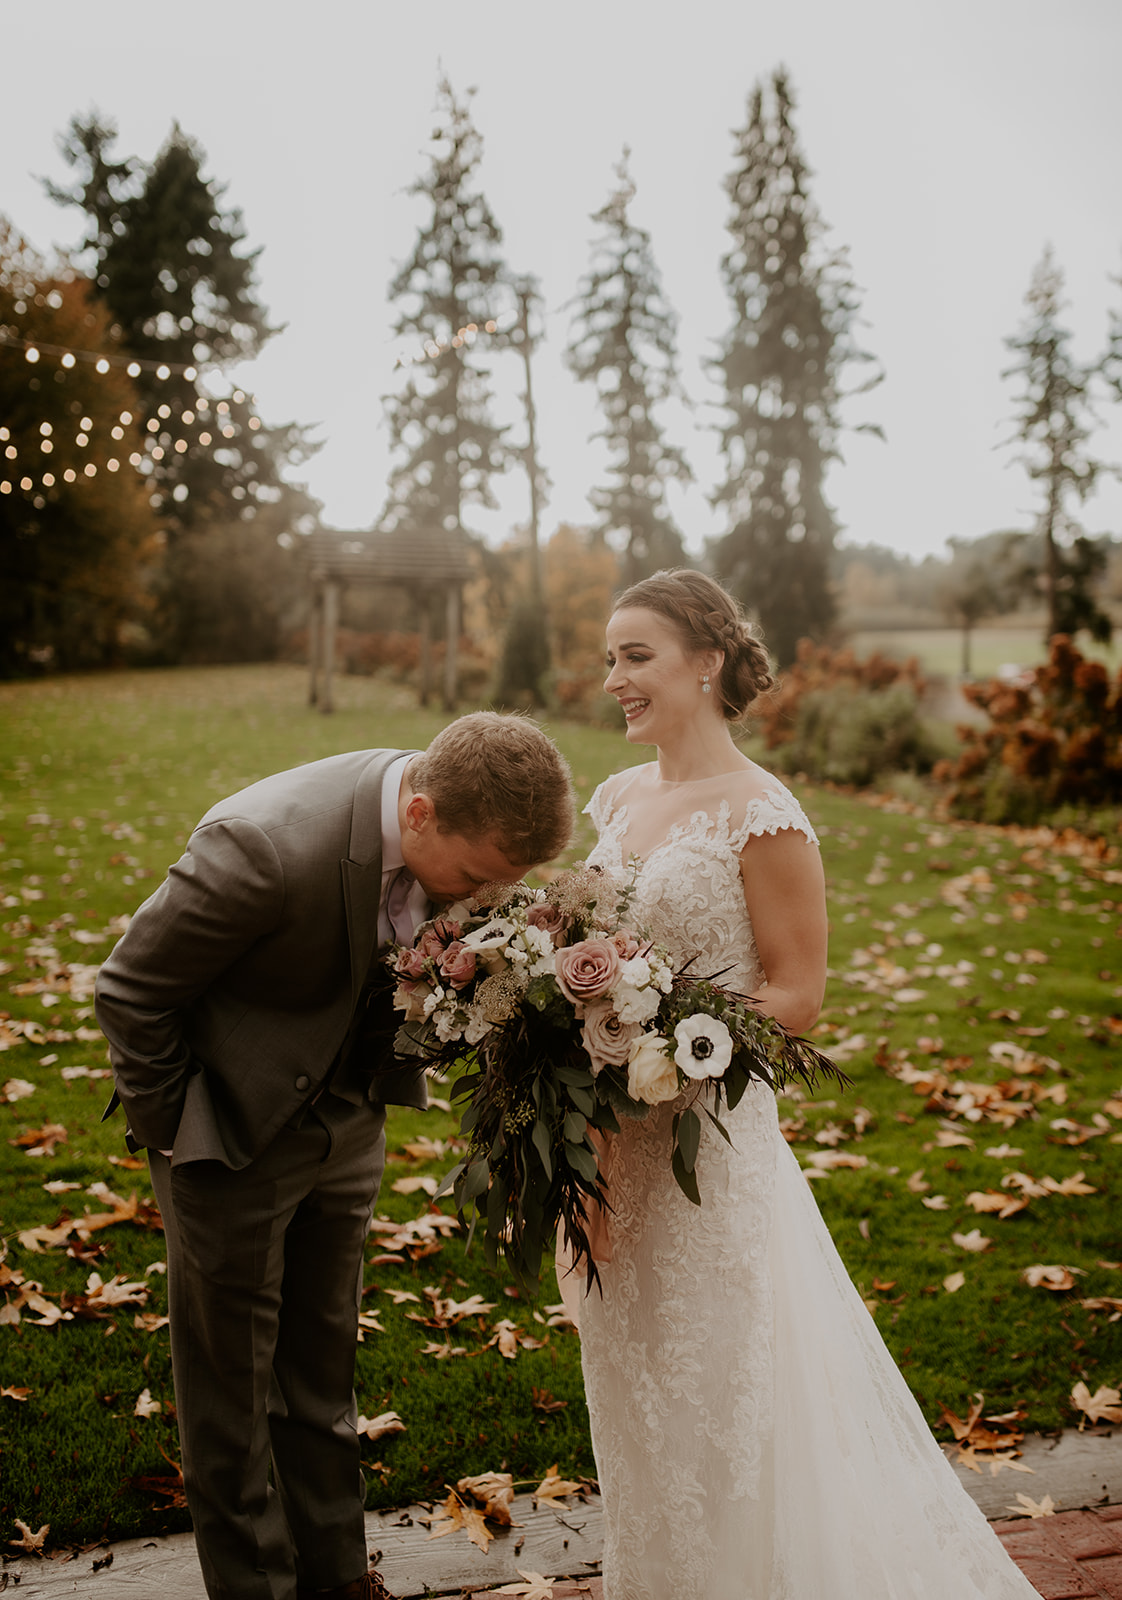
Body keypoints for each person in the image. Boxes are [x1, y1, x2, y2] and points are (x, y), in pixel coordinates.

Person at [572, 570, 1038, 1599]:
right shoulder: (618, 798)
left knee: (724, 1397)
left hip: (707, 1147)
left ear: (707, 661)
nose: (615, 678)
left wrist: (667, 1026)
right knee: (637, 1392)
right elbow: (588, 944)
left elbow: (797, 994)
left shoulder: (762, 813)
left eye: (636, 656)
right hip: (613, 1147)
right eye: (611, 658)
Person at [95, 712, 575, 1600]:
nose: (478, 901)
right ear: (421, 813)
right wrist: (185, 1137)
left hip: (349, 1130)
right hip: (228, 1144)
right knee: (231, 1401)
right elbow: (129, 989)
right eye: (474, 879)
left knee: (320, 1380)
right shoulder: (264, 847)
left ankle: (338, 1578)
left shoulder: (454, 834)